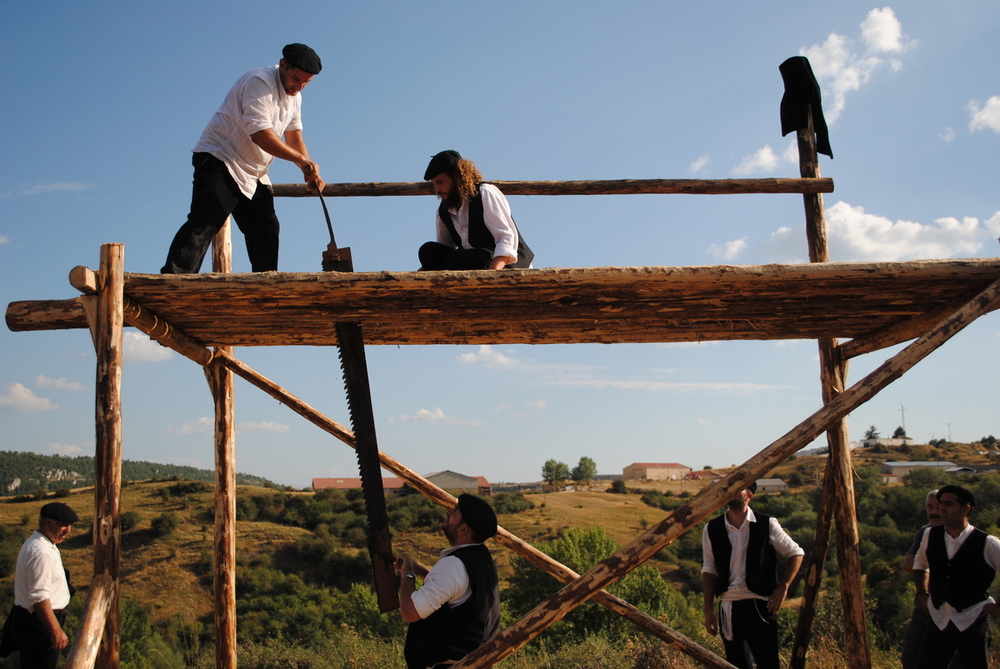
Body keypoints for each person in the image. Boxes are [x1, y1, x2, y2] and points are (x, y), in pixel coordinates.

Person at [161, 43, 326, 274]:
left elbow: (295, 137)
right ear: (283, 65)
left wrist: (307, 170)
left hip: (253, 171)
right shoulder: (259, 82)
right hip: (221, 158)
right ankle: (175, 281)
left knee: (266, 228)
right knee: (206, 221)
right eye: (296, 79)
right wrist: (301, 159)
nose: (299, 87)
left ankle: (265, 290)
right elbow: (260, 134)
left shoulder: (294, 97)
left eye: (306, 83)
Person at [701, 481, 804, 669]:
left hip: (761, 603)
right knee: (736, 664)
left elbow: (796, 553)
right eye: (729, 487)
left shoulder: (767, 524)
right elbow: (709, 570)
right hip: (728, 606)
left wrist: (783, 588)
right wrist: (708, 610)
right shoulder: (712, 528)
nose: (731, 490)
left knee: (768, 663)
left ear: (750, 495)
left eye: (738, 487)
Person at [395, 493, 500, 669]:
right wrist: (416, 568)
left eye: (456, 511)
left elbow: (409, 612)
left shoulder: (453, 565)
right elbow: (450, 590)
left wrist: (407, 575)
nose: (449, 510)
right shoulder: (481, 559)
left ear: (463, 529)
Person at [913, 485, 1000, 669]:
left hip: (973, 618)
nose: (941, 509)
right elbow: (920, 564)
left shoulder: (987, 543)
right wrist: (922, 592)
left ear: (965, 509)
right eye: (940, 504)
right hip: (938, 618)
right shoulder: (930, 535)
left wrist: (998, 606)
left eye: (948, 504)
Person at [418, 150, 533, 270]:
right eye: (434, 184)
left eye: (440, 182)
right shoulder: (444, 210)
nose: (437, 189)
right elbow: (443, 250)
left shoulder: (485, 193)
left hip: (504, 263)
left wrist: (492, 275)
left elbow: (506, 236)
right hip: (470, 262)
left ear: (457, 177)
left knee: (457, 258)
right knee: (429, 251)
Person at [0, 502, 80, 668]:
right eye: (64, 525)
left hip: (33, 619)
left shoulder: (42, 543)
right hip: (39, 623)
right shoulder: (41, 552)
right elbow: (39, 597)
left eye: (70, 526)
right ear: (48, 522)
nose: (68, 531)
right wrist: (55, 631)